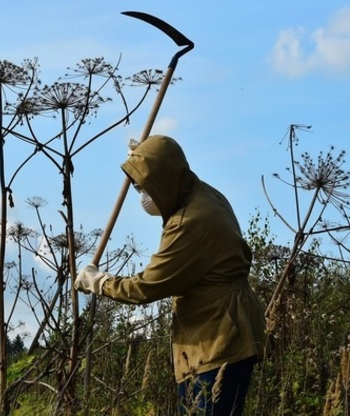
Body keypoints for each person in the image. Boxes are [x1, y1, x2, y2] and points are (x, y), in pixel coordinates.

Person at [74, 135, 266, 415]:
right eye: (138, 186)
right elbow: (168, 165)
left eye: (146, 186)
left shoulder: (189, 223)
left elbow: (147, 287)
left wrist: (100, 282)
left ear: (164, 181)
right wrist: (147, 157)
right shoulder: (203, 192)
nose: (142, 195)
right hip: (224, 332)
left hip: (217, 341)